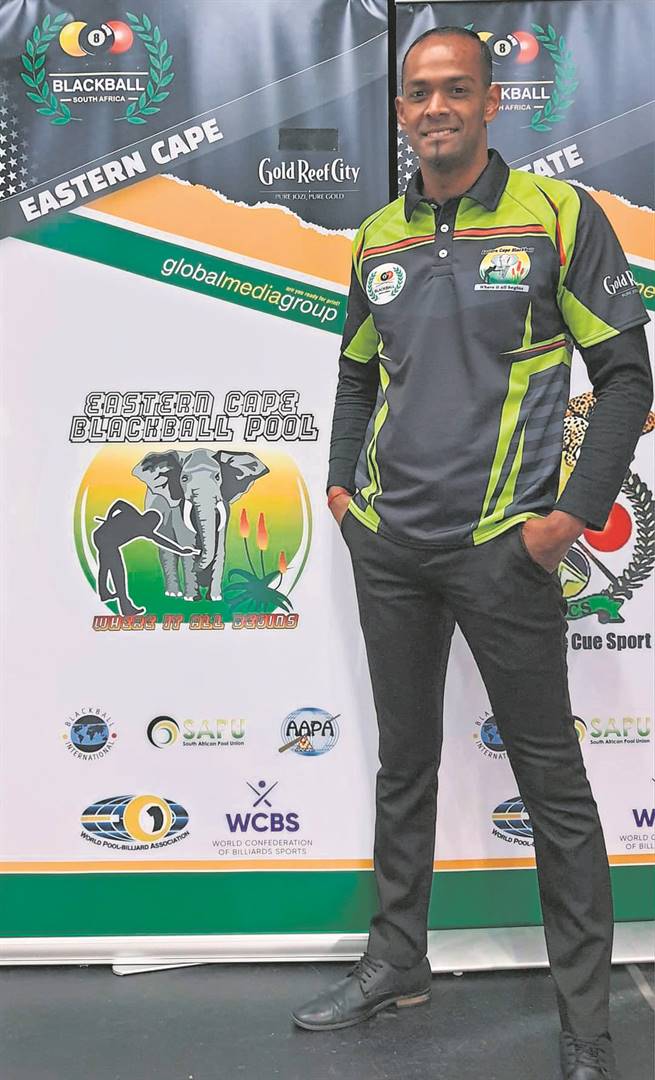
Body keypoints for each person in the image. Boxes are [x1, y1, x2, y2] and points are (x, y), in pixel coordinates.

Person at [291, 26, 653, 1080]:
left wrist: (568, 518)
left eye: (456, 89)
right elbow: (357, 372)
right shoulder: (375, 238)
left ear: (492, 102)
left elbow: (626, 376)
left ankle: (585, 1025)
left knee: (552, 787)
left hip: (505, 548)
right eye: (418, 93)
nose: (435, 107)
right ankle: (395, 961)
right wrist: (344, 491)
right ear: (400, 111)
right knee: (403, 764)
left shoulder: (557, 215)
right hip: (391, 546)